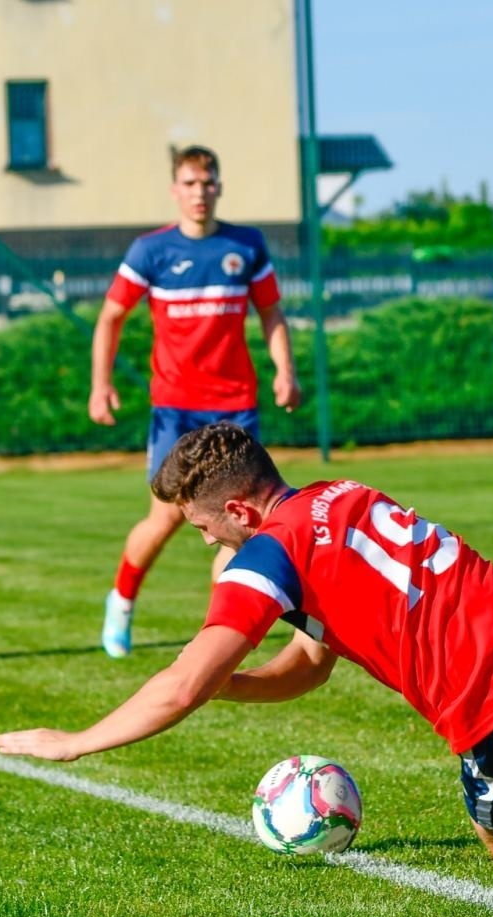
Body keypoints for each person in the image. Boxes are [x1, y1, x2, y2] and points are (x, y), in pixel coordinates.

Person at [0, 422, 493, 868]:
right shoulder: (340, 492)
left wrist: (77, 741)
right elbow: (310, 665)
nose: (205, 542)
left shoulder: (266, 555)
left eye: (202, 527)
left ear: (238, 509)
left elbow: (180, 685)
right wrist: (230, 685)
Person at [91, 145, 302, 659]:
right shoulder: (150, 251)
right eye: (189, 184)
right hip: (176, 407)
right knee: (165, 518)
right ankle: (121, 602)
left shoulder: (245, 246)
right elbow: (111, 317)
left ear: (219, 187)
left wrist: (285, 370)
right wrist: (101, 384)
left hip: (235, 406)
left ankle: (217, 634)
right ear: (175, 190)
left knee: (241, 521)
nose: (199, 193)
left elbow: (271, 313)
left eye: (207, 184)